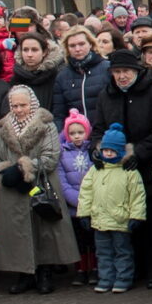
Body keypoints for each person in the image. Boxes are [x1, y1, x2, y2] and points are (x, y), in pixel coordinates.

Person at [0, 84, 79, 295]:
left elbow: (51, 157)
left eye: (23, 105)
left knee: (45, 228)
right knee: (17, 231)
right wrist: (4, 171)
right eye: (14, 105)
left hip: (40, 184)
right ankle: (23, 274)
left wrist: (23, 169)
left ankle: (45, 272)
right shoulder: (2, 130)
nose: (18, 109)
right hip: (13, 190)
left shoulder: (46, 126)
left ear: (32, 104)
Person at [96, 48, 152, 290]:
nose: (121, 76)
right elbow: (98, 129)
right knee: (126, 221)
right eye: (116, 72)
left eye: (126, 71)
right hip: (117, 171)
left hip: (146, 167)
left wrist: (138, 152)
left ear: (136, 71)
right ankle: (133, 268)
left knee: (151, 222)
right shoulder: (106, 95)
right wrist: (96, 150)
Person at [78, 123, 147, 293]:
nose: (108, 153)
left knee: (122, 251)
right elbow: (85, 192)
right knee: (103, 252)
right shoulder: (95, 170)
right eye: (106, 150)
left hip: (120, 219)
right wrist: (84, 214)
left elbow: (137, 196)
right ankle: (106, 278)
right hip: (100, 219)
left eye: (112, 150)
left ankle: (123, 278)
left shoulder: (129, 172)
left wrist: (136, 216)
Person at [57, 110, 96, 286]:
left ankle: (95, 268)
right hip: (74, 207)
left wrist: (89, 200)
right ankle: (80, 269)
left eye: (80, 132)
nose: (76, 136)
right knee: (78, 240)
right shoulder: (62, 154)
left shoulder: (92, 152)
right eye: (72, 133)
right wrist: (77, 200)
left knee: (93, 239)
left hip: (93, 205)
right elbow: (62, 181)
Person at [52, 26, 110, 129]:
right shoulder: (62, 76)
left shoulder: (107, 68)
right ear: (67, 48)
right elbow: (59, 114)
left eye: (81, 44)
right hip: (75, 139)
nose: (77, 49)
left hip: (103, 134)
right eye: (72, 46)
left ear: (90, 44)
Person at [11, 32, 66, 113]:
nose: (29, 55)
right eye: (25, 50)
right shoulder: (16, 78)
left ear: (44, 52)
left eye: (34, 50)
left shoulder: (57, 76)